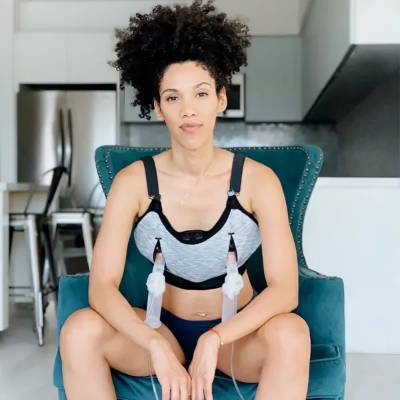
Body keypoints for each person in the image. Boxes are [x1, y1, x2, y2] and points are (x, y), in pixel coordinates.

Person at [59, 1, 311, 399]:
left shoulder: (259, 181)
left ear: (221, 99)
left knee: (292, 333)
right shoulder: (132, 182)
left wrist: (215, 338)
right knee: (79, 330)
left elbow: (285, 290)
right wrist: (153, 344)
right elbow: (101, 287)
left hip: (235, 337)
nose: (188, 110)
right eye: (173, 97)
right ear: (157, 107)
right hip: (160, 328)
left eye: (201, 93)